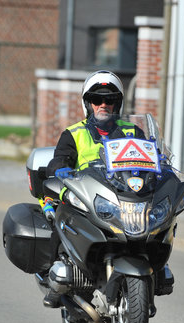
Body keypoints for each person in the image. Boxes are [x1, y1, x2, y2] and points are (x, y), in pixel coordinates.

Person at [42, 70, 144, 308]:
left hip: (123, 195)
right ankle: (52, 275)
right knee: (62, 217)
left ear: (117, 103)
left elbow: (153, 160)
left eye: (109, 100)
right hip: (87, 195)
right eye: (97, 99)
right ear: (87, 103)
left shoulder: (133, 132)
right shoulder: (74, 133)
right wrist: (61, 169)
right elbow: (59, 160)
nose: (103, 105)